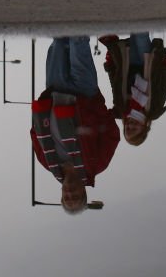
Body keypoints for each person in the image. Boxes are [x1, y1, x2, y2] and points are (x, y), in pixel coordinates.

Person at [31, 37, 119, 214]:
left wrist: (42, 108)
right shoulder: (97, 165)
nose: (70, 193)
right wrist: (95, 107)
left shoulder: (47, 163)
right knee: (78, 41)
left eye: (66, 198)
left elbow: (35, 134)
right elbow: (111, 134)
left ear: (61, 195)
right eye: (76, 197)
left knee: (58, 41)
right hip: (85, 94)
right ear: (84, 192)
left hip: (55, 92)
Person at [101, 33, 166, 146]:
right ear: (144, 129)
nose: (130, 126)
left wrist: (110, 65)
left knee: (135, 31)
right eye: (134, 129)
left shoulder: (121, 109)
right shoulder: (153, 111)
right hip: (148, 61)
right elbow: (163, 88)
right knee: (140, 34)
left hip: (127, 61)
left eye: (127, 129)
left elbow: (115, 85)